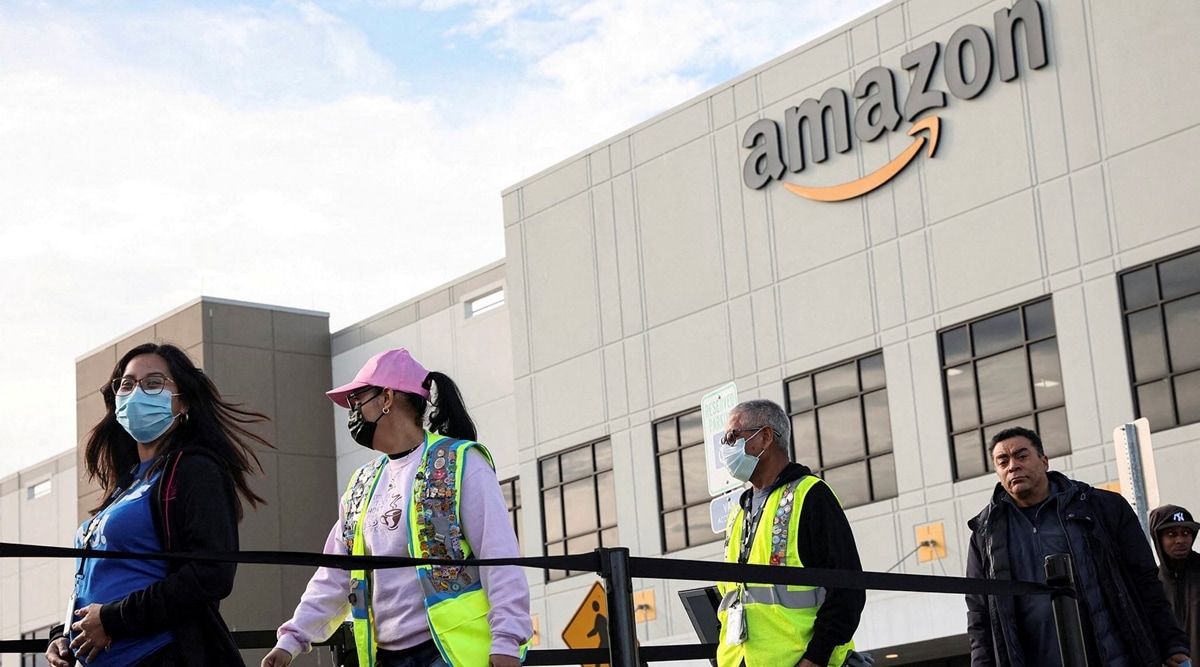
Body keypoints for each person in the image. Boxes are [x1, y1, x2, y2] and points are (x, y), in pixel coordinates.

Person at [262, 348, 531, 667]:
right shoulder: (362, 483)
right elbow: (335, 575)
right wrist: (291, 639)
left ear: (386, 397)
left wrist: (506, 640)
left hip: (452, 654)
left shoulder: (461, 463)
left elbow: (499, 555)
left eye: (356, 400)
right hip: (385, 657)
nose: (352, 411)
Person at [45, 342, 272, 667]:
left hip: (161, 655)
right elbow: (101, 581)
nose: (136, 393)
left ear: (184, 402)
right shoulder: (126, 483)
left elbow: (211, 574)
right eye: (127, 384)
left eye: (153, 383)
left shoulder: (195, 469)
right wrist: (63, 635)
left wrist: (112, 619)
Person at [965, 426, 1190, 667]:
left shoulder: (1103, 509)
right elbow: (980, 617)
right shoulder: (984, 534)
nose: (1013, 466)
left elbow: (1145, 581)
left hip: (1115, 657)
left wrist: (1171, 643)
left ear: (1044, 461)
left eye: (1021, 456)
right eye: (1003, 461)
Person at [715, 398, 866, 667]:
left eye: (732, 436)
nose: (726, 448)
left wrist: (815, 658)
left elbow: (848, 590)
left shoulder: (810, 495)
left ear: (765, 438)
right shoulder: (739, 512)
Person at [1151, 504, 1200, 661]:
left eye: (1185, 533)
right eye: (1171, 534)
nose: (1180, 540)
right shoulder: (1153, 584)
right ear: (1158, 539)